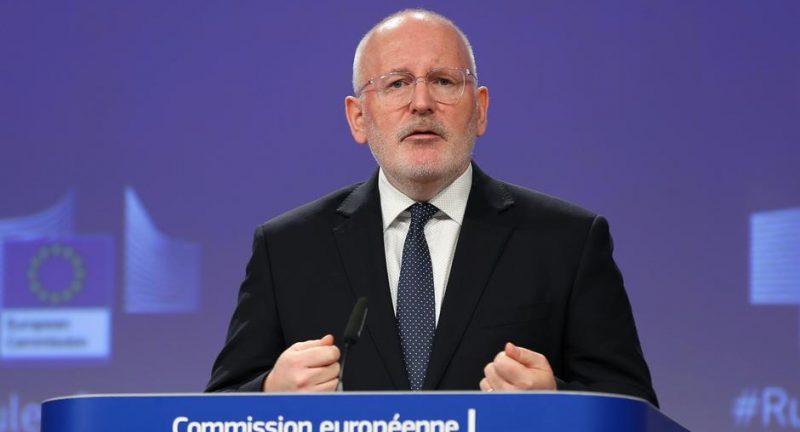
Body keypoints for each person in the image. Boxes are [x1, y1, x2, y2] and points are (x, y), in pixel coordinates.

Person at [206, 9, 658, 406]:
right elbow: (213, 414)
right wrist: (269, 392)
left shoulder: (567, 242)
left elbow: (635, 410)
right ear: (358, 118)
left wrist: (556, 400)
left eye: (443, 81)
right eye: (397, 84)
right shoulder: (287, 248)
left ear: (480, 110)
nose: (421, 103)